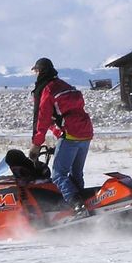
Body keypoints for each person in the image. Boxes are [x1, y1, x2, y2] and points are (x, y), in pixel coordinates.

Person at [29, 57, 94, 218]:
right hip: (85, 133)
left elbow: (43, 119)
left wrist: (36, 144)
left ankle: (78, 208)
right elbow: (61, 116)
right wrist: (59, 136)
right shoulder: (65, 86)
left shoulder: (47, 90)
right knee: (76, 173)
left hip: (71, 135)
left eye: (36, 71)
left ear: (41, 71)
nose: (35, 75)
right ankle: (84, 204)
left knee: (58, 175)